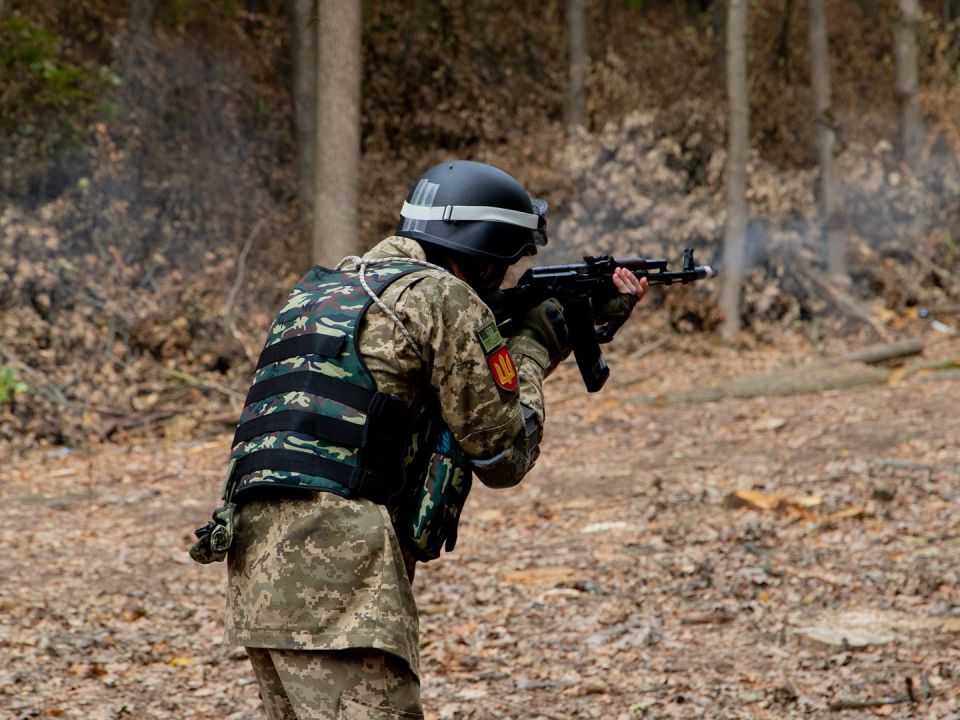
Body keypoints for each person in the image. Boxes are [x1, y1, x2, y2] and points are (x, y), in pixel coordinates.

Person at [191, 160, 648, 719]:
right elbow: (503, 452)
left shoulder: (322, 290)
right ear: (481, 256)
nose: (500, 283)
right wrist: (536, 342)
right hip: (339, 581)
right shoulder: (442, 297)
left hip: (256, 568)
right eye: (501, 267)